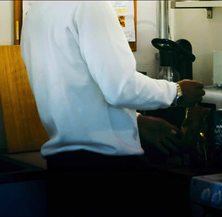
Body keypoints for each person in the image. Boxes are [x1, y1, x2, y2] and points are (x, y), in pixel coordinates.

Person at [20, 1, 205, 216]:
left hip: (63, 171)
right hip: (103, 174)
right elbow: (121, 87)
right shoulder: (90, 5)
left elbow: (75, 88)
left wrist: (134, 121)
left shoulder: (38, 10)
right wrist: (177, 92)